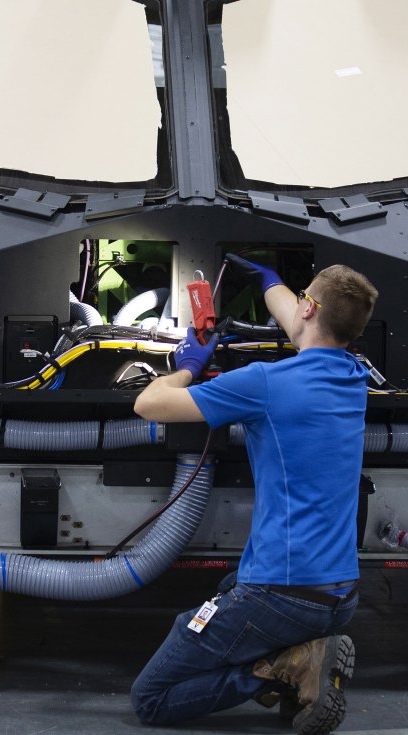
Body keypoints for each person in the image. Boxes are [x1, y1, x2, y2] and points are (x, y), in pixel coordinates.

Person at [129, 254, 378, 735]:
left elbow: (149, 403)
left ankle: (283, 668)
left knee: (151, 699)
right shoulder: (353, 375)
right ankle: (301, 655)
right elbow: (304, 318)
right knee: (229, 586)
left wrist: (188, 366)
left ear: (310, 309)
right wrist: (268, 280)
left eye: (302, 299)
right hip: (339, 594)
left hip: (283, 595)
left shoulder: (266, 382)